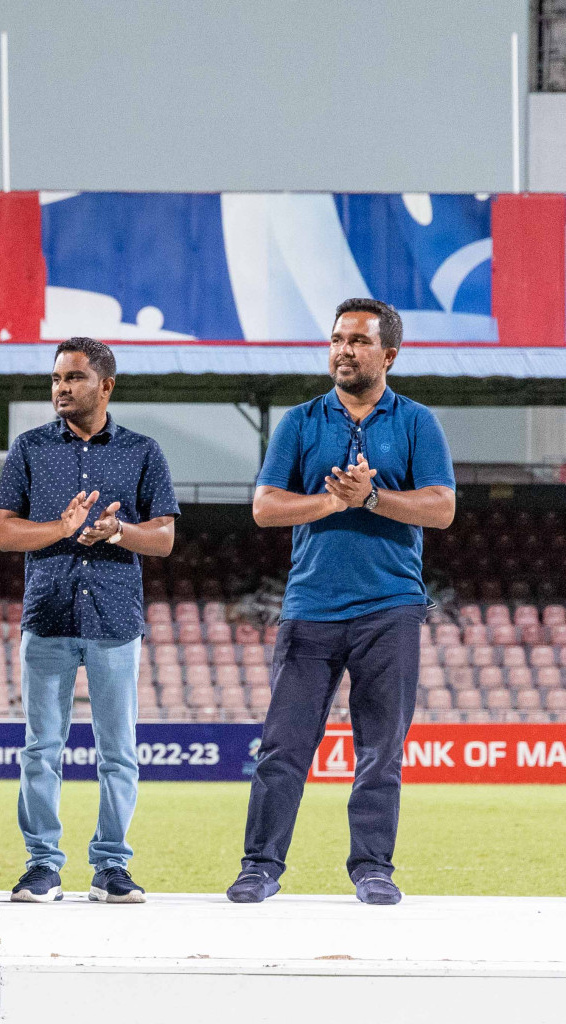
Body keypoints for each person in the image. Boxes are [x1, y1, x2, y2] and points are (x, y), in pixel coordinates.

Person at [227, 298, 455, 906]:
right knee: (283, 747)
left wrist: (374, 498)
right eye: (337, 339)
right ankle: (260, 866)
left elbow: (442, 507)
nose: (344, 350)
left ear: (390, 354)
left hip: (392, 606)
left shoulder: (416, 422)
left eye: (358, 340)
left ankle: (373, 868)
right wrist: (334, 502)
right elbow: (265, 507)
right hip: (310, 608)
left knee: (381, 749)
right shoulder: (301, 421)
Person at [0, 337, 178, 904]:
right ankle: (42, 866)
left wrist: (117, 532)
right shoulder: (28, 448)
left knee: (118, 753)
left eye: (73, 378)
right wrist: (63, 528)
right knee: (40, 749)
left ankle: (110, 868)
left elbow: (165, 539)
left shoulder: (144, 452)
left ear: (106, 385)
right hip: (47, 616)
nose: (61, 388)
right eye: (56, 379)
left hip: (115, 619)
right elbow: (5, 533)